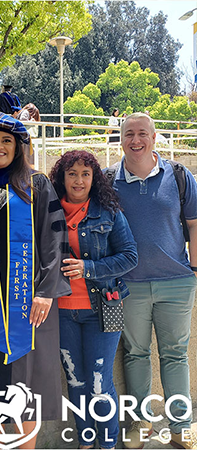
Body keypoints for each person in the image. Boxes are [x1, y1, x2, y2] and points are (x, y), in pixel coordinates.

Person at [0, 111, 71, 449]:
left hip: (29, 303)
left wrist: (47, 291)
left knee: (26, 386)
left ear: (20, 147)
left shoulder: (36, 184)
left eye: (7, 140)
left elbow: (54, 242)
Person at [108, 112, 197, 449]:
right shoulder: (108, 180)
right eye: (128, 134)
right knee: (136, 353)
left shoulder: (178, 175)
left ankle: (180, 427)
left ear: (154, 137)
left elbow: (194, 224)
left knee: (175, 355)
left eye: (142, 133)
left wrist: (195, 271)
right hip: (129, 285)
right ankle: (140, 424)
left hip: (176, 282)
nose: (135, 140)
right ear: (120, 139)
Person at [49, 150, 138, 450]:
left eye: (85, 174)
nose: (78, 180)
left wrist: (89, 269)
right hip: (61, 312)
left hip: (102, 307)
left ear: (94, 178)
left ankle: (108, 442)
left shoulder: (108, 212)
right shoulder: (47, 212)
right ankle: (87, 441)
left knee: (100, 383)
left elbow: (130, 256)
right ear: (62, 177)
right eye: (72, 173)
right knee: (76, 381)